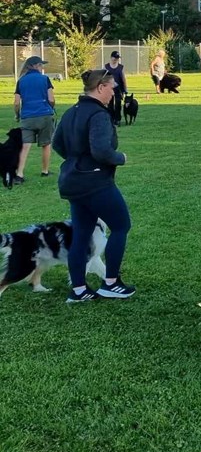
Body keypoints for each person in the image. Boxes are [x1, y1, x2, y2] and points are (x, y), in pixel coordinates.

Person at [52, 70, 135, 302]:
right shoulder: (98, 114)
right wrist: (121, 157)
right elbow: (101, 151)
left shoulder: (71, 112)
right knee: (121, 226)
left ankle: (79, 289)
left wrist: (76, 161)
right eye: (111, 87)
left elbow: (58, 144)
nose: (114, 91)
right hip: (95, 182)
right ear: (100, 88)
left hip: (73, 182)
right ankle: (111, 283)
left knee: (81, 234)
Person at [12, 56, 56, 184]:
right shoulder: (45, 79)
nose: (42, 67)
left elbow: (16, 103)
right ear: (35, 66)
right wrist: (51, 108)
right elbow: (51, 99)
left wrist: (17, 115)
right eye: (41, 65)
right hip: (44, 115)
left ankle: (19, 174)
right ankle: (45, 171)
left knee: (25, 146)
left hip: (27, 116)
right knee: (46, 144)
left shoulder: (21, 81)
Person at [104, 51, 128, 126]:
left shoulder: (121, 67)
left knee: (118, 104)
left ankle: (117, 119)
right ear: (111, 57)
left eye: (117, 58)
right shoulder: (106, 67)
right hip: (109, 88)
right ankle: (111, 118)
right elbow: (102, 77)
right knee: (110, 105)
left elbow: (123, 79)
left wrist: (125, 90)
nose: (116, 60)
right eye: (115, 58)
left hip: (118, 88)